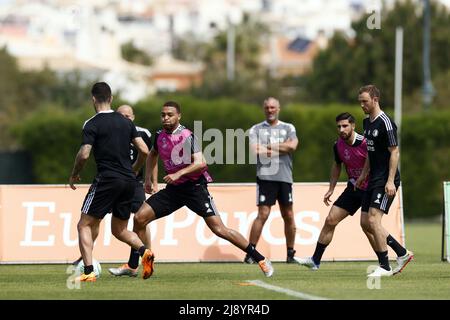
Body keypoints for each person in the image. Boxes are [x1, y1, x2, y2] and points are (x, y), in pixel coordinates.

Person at [132, 101, 274, 278]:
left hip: (195, 188)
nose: (166, 118)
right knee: (139, 218)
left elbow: (201, 163)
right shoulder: (159, 135)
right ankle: (141, 263)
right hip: (173, 190)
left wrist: (178, 173)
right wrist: (148, 179)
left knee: (220, 229)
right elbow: (153, 154)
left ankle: (261, 259)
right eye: (163, 115)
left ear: (179, 116)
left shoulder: (186, 136)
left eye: (170, 115)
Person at [69, 82, 153, 281]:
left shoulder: (92, 123)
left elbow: (84, 154)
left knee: (84, 225)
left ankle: (88, 272)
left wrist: (74, 173)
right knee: (120, 230)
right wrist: (134, 170)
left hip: (107, 179)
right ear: (112, 98)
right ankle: (145, 251)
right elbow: (144, 150)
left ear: (93, 99)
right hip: (128, 182)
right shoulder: (126, 122)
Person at [356, 84, 413, 277]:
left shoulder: (385, 122)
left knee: (373, 219)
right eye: (360, 102)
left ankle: (385, 266)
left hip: (385, 180)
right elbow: (370, 153)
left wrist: (390, 181)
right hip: (372, 179)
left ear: (375, 99)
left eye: (365, 101)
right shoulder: (367, 122)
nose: (362, 105)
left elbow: (394, 152)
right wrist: (363, 174)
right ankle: (402, 253)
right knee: (365, 222)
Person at [103, 105, 157, 277]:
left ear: (133, 117)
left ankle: (142, 259)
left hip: (134, 183)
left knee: (141, 219)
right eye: (121, 115)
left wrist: (152, 181)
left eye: (127, 116)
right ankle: (84, 258)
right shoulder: (109, 133)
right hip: (114, 183)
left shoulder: (144, 133)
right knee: (94, 219)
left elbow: (151, 158)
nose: (124, 118)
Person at [245, 97, 300, 264]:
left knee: (288, 215)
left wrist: (268, 146)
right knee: (263, 214)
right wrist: (281, 146)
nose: (270, 110)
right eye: (267, 107)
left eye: (273, 107)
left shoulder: (288, 127)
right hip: (265, 177)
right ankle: (251, 253)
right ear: (264, 109)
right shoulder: (256, 129)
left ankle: (290, 254)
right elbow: (256, 150)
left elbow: (292, 147)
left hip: (284, 177)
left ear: (279, 109)